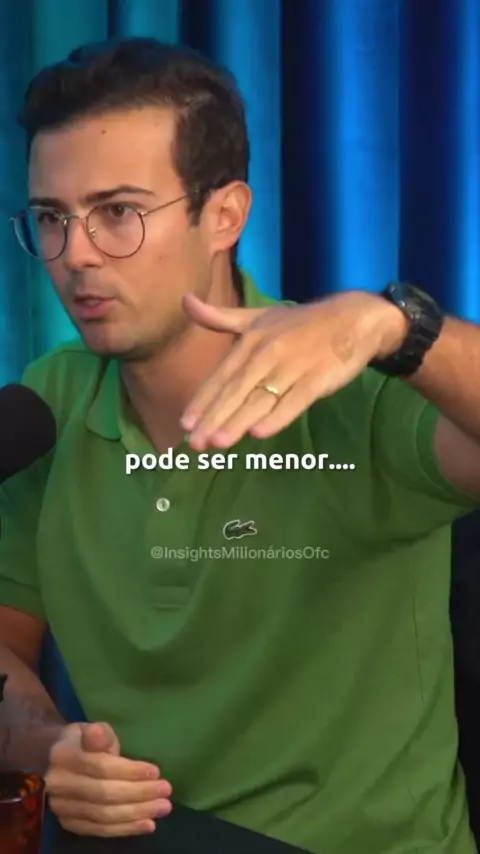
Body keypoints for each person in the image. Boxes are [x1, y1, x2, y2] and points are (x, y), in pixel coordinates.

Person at [0, 35, 479, 854]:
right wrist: (48, 747)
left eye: (117, 213)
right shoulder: (50, 401)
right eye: (52, 218)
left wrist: (398, 328)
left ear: (224, 215)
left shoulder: (359, 395)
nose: (74, 254)